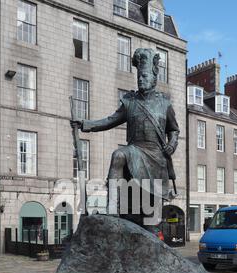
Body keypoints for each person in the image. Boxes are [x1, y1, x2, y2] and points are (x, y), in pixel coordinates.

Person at [71, 48, 180, 228]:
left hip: (156, 155)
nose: (141, 80)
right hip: (135, 150)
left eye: (144, 76)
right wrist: (85, 124)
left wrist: (172, 144)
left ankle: (149, 226)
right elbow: (109, 121)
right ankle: (112, 209)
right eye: (139, 77)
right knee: (118, 155)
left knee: (150, 212)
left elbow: (174, 130)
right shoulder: (130, 102)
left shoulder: (164, 103)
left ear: (154, 77)